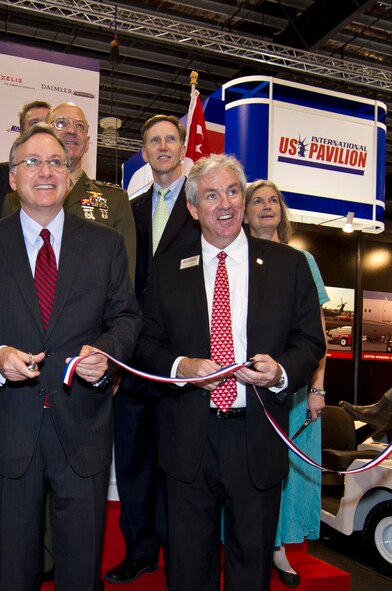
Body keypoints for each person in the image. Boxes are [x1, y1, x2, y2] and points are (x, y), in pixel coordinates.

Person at [0, 123, 140, 590]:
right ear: (12, 178)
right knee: (13, 568)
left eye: (56, 161)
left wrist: (107, 355)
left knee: (80, 570)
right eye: (32, 162)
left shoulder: (105, 245)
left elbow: (127, 320)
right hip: (11, 429)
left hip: (84, 427)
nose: (45, 171)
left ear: (70, 176)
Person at [138, 154, 325, 591]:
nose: (225, 203)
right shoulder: (167, 269)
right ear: (192, 207)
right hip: (189, 438)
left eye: (232, 191)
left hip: (256, 435)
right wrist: (181, 366)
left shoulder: (288, 265)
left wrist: (280, 371)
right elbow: (145, 344)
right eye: (211, 195)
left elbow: (309, 341)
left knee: (250, 566)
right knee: (187, 568)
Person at [106, 114, 200, 585]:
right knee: (135, 461)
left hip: (185, 358)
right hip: (134, 357)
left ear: (182, 148)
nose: (162, 146)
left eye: (170, 139)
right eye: (153, 141)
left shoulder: (205, 207)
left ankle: (179, 553)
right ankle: (140, 549)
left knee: (180, 465)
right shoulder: (130, 208)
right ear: (143, 152)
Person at [244, 179, 329, 588]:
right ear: (243, 212)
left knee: (288, 474)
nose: (266, 207)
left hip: (294, 389)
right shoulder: (234, 258)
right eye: (256, 201)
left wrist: (317, 388)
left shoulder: (303, 260)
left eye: (272, 200)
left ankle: (278, 548)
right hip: (246, 387)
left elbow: (319, 335)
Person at [2, 102, 136, 280]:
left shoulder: (115, 200)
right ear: (47, 134)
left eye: (79, 125)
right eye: (61, 123)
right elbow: (6, 271)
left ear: (87, 143)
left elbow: (123, 279)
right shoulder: (15, 200)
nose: (71, 130)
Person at [0, 100, 51, 214]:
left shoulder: (60, 173)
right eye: (34, 123)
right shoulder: (1, 173)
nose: (41, 128)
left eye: (47, 123)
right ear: (21, 132)